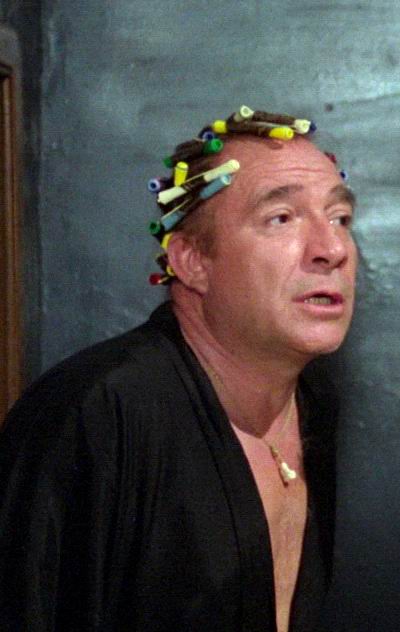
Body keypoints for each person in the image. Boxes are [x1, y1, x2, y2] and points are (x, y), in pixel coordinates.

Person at [0, 107, 356, 631]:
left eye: (340, 218)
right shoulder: (91, 414)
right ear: (191, 261)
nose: (332, 249)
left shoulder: (314, 401)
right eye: (281, 218)